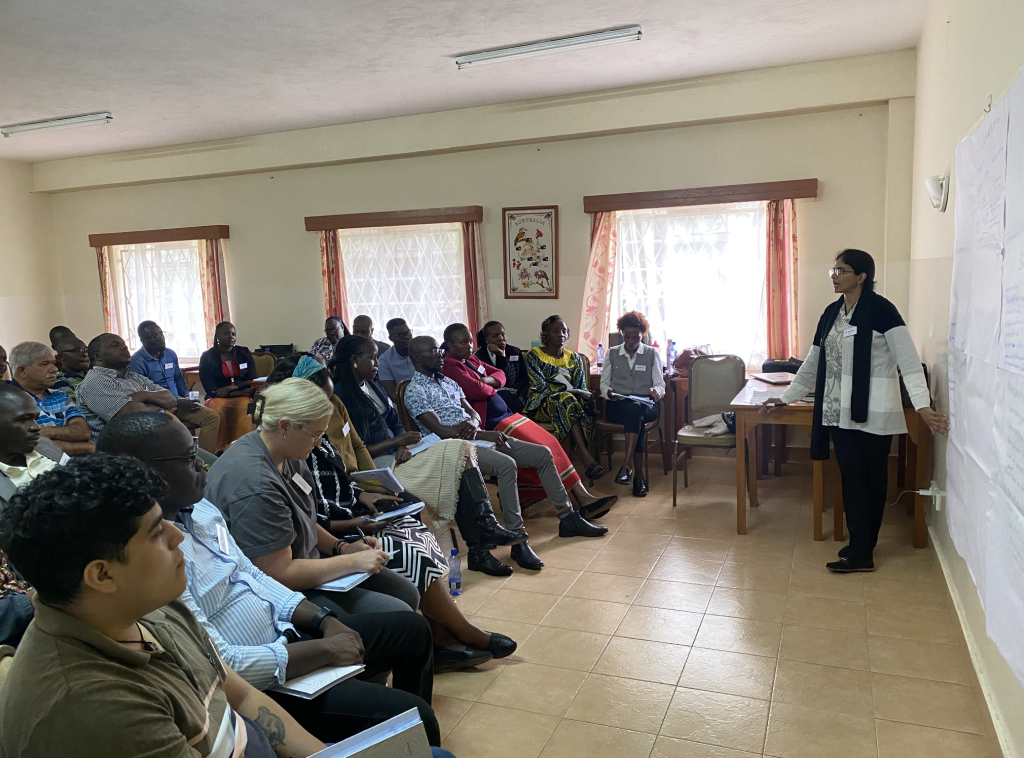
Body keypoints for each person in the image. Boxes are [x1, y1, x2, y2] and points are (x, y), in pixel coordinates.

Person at [95, 413, 442, 746]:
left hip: (288, 636)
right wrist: (323, 650)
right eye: (188, 457)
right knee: (417, 716)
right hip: (265, 680)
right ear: (144, 472)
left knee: (411, 630)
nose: (201, 463)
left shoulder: (201, 509)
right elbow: (224, 666)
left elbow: (252, 574)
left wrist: (324, 621)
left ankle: (394, 740)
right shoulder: (151, 559)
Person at [0, 453, 328, 758]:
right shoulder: (96, 705)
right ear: (102, 575)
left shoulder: (150, 608)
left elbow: (241, 697)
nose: (178, 537)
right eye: (157, 532)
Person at [267, 353, 518, 672]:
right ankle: (462, 633)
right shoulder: (293, 449)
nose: (327, 408)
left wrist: (366, 491)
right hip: (338, 529)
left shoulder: (313, 437)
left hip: (351, 509)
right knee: (406, 550)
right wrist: (355, 522)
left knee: (416, 528)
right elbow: (310, 517)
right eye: (320, 400)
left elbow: (344, 469)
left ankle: (442, 636)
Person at [762, 249, 949, 573]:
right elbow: (812, 364)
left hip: (875, 415)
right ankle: (860, 547)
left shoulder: (882, 311)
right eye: (833, 270)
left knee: (873, 482)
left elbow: (908, 362)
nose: (834, 276)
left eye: (842, 270)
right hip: (839, 414)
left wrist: (922, 405)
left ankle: (863, 550)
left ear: (861, 276)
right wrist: (784, 397)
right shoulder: (831, 314)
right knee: (851, 480)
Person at [205, 377, 423, 616]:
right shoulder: (255, 484)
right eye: (315, 434)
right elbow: (277, 574)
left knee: (405, 592)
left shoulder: (286, 453)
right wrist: (351, 562)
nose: (319, 443)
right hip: (274, 592)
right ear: (285, 427)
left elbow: (304, 518)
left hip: (303, 562)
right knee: (397, 616)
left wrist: (341, 547)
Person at [405, 336, 608, 575]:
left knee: (542, 454)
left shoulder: (448, 381)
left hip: (477, 436)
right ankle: (518, 540)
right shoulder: (415, 390)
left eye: (439, 350)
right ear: (416, 357)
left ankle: (568, 518)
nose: (440, 354)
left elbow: (473, 414)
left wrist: (474, 425)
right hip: (455, 448)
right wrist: (480, 432)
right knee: (506, 464)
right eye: (433, 351)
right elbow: (441, 431)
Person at [443, 323, 617, 519]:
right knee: (540, 451)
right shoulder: (450, 365)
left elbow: (500, 375)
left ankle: (581, 496)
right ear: (450, 344)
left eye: (470, 341)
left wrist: (486, 382)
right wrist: (488, 385)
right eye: (463, 342)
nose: (469, 346)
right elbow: (476, 390)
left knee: (550, 442)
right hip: (490, 423)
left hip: (507, 416)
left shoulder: (471, 358)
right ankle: (579, 501)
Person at [0, 384, 65, 646]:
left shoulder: (47, 448)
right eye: (24, 420)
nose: (36, 427)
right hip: (41, 575)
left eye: (36, 418)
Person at [525, 315, 606, 481]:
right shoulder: (535, 355)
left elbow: (581, 386)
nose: (561, 334)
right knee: (566, 400)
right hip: (542, 404)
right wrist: (572, 392)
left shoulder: (574, 358)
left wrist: (578, 393)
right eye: (556, 330)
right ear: (546, 334)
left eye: (564, 331)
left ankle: (565, 474)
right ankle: (584, 456)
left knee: (566, 404)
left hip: (568, 406)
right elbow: (539, 386)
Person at [600, 311, 666, 497]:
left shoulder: (651, 353)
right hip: (618, 405)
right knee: (634, 415)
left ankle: (627, 465)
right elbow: (604, 384)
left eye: (635, 337)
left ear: (642, 335)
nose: (631, 341)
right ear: (622, 333)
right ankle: (638, 476)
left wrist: (657, 392)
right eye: (627, 336)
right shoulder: (612, 353)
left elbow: (660, 384)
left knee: (635, 411)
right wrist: (608, 392)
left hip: (646, 404)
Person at [129, 320, 222, 453]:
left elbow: (178, 379)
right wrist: (175, 401)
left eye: (160, 334)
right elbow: (143, 395)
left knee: (212, 417)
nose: (160, 338)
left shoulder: (170, 354)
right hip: (157, 408)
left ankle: (205, 458)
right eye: (153, 337)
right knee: (177, 428)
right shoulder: (136, 362)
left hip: (179, 402)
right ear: (142, 340)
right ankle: (185, 460)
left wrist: (187, 396)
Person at [75, 333, 178, 441]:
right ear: (98, 356)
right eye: (115, 345)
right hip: (120, 447)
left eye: (124, 344)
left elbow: (170, 399)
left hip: (149, 438)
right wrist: (159, 405)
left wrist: (143, 395)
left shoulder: (133, 376)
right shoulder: (95, 382)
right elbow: (132, 417)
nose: (125, 347)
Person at [8, 342, 94, 456]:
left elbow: (83, 432)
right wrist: (91, 448)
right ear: (22, 371)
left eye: (53, 363)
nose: (55, 369)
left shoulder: (60, 396)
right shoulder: (8, 402)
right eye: (45, 364)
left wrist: (47, 432)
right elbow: (33, 446)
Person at [474, 321, 528, 413]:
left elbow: (523, 380)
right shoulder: (479, 357)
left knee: (507, 398)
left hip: (514, 395)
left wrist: (515, 390)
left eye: (503, 335)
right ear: (487, 339)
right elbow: (488, 383)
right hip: (491, 396)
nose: (501, 338)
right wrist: (501, 357)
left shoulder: (514, 352)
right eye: (495, 336)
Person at [199, 321, 258, 399]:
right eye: (226, 333)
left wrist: (231, 388)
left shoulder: (244, 353)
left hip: (245, 394)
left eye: (233, 334)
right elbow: (210, 388)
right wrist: (238, 393)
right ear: (217, 336)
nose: (230, 336)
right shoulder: (207, 357)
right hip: (218, 398)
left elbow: (252, 379)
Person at [379, 318, 415, 400]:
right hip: (403, 401)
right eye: (401, 335)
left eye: (408, 332)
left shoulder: (423, 350)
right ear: (391, 338)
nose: (407, 337)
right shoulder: (384, 360)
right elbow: (392, 394)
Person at [51, 336, 91, 402]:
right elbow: (76, 406)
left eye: (86, 350)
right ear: (62, 356)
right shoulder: (58, 380)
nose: (85, 354)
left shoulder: (95, 375)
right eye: (77, 350)